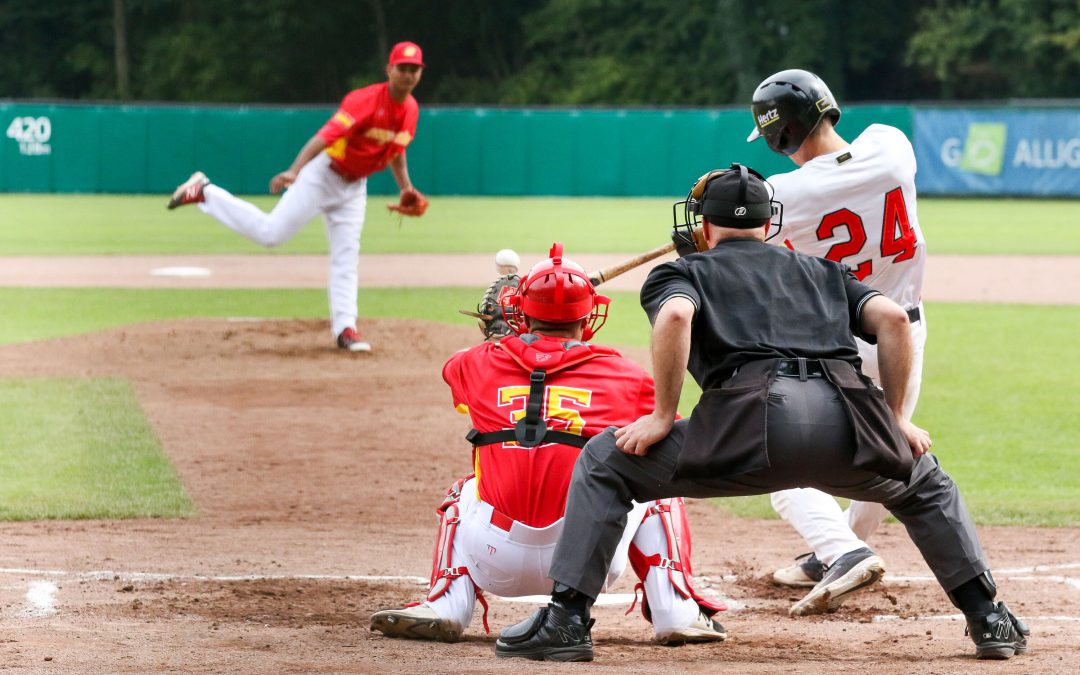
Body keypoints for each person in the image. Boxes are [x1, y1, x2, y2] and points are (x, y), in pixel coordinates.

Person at [493, 166, 1029, 663]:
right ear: (769, 222)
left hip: (745, 432)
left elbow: (678, 315)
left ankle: (566, 620)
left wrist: (662, 415)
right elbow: (892, 318)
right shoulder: (823, 270)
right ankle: (989, 618)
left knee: (605, 463)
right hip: (850, 427)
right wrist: (894, 420)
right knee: (927, 486)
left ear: (703, 223)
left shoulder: (679, 274)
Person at [369, 243, 726, 646]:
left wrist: (501, 339)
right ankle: (675, 610)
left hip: (494, 557)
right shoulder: (626, 376)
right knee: (656, 491)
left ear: (519, 313)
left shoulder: (478, 362)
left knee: (464, 490)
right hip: (588, 561)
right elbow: (672, 435)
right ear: (591, 314)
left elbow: (453, 368)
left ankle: (447, 604)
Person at [746, 68, 929, 615]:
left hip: (834, 348)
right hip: (906, 331)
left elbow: (736, 243)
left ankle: (840, 550)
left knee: (779, 465)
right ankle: (836, 549)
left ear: (780, 134)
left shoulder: (781, 192)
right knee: (883, 455)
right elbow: (851, 170)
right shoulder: (891, 146)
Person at [166, 41, 429, 354]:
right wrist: (295, 170)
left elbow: (397, 152)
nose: (409, 75)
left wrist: (405, 188)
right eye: (403, 68)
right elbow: (325, 136)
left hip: (354, 188)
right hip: (323, 174)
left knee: (347, 257)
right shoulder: (364, 101)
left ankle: (346, 328)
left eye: (415, 69)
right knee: (270, 234)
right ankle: (205, 192)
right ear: (389, 69)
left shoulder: (410, 110)